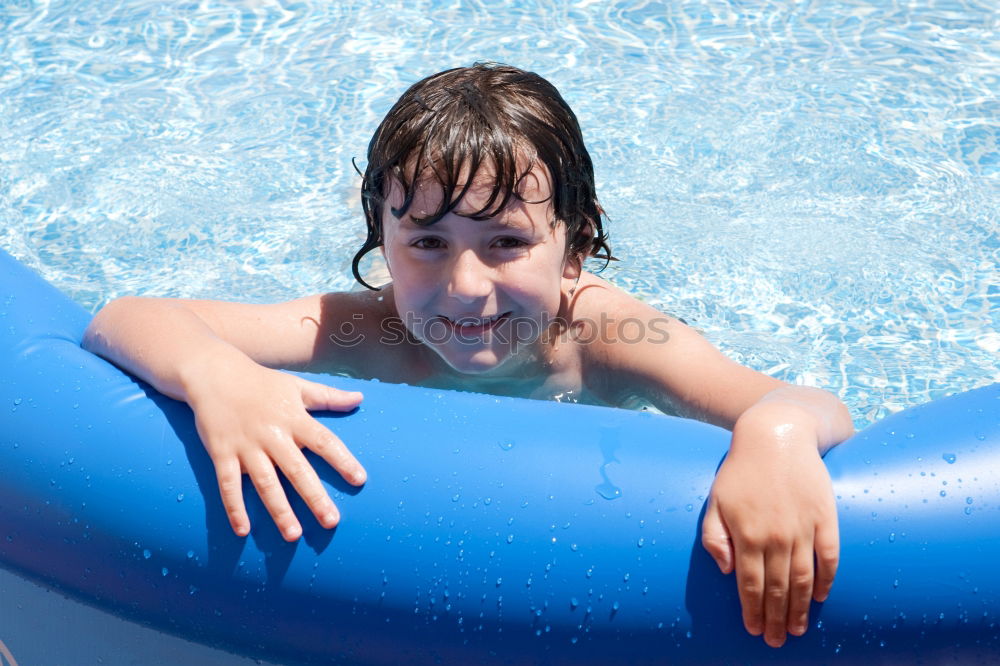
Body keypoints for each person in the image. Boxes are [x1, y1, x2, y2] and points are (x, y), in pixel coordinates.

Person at [82, 62, 853, 648]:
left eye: (508, 243)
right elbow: (128, 318)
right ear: (382, 241)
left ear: (576, 247)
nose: (465, 288)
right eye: (426, 243)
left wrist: (774, 441)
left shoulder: (607, 340)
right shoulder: (361, 329)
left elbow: (804, 403)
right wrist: (221, 378)